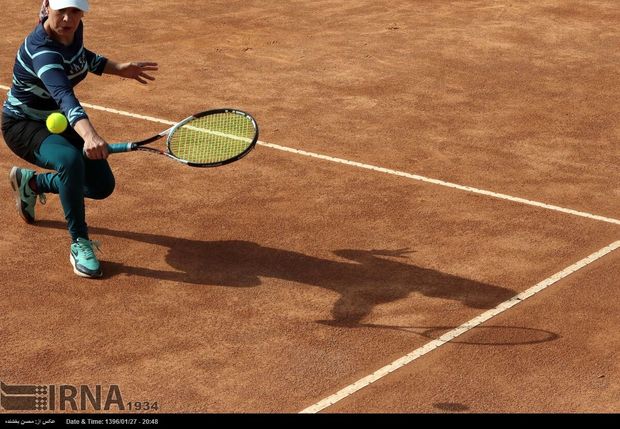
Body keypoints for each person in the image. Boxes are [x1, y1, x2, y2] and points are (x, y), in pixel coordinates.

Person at [1, 0, 158, 278]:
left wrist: (118, 68)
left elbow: (81, 56)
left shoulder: (72, 31)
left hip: (56, 121)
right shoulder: (42, 52)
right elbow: (65, 97)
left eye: (75, 11)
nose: (67, 18)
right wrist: (90, 136)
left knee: (100, 185)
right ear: (47, 6)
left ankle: (33, 182)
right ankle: (79, 243)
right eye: (61, 11)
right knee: (71, 160)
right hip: (23, 125)